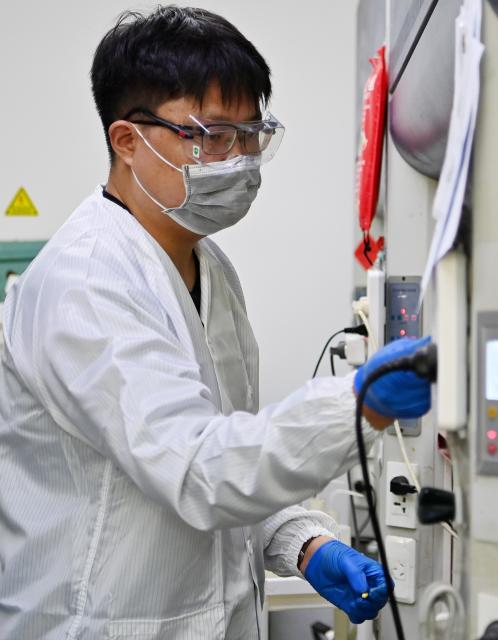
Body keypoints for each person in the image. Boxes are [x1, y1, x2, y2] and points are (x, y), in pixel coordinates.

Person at [0, 7, 429, 638]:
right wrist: (356, 407)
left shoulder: (208, 268)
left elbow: (225, 441)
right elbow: (199, 470)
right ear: (127, 141)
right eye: (214, 136)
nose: (242, 161)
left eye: (252, 135)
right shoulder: (87, 282)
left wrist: (301, 542)